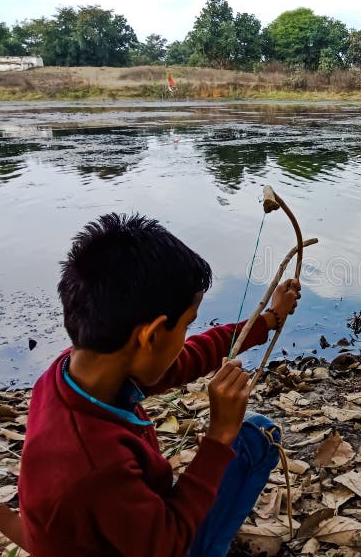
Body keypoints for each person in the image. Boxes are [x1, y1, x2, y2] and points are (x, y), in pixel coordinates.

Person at [17, 213, 301, 556]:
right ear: (150, 337)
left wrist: (267, 320)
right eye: (186, 325)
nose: (186, 338)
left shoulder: (72, 372)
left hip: (122, 528)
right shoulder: (95, 468)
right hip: (162, 542)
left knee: (252, 429)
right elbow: (168, 545)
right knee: (259, 435)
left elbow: (187, 360)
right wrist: (219, 436)